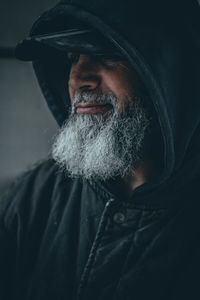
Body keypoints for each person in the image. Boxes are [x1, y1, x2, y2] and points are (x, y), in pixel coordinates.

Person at [0, 0, 200, 299]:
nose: (78, 79)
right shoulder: (36, 193)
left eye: (107, 56)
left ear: (168, 77)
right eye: (73, 57)